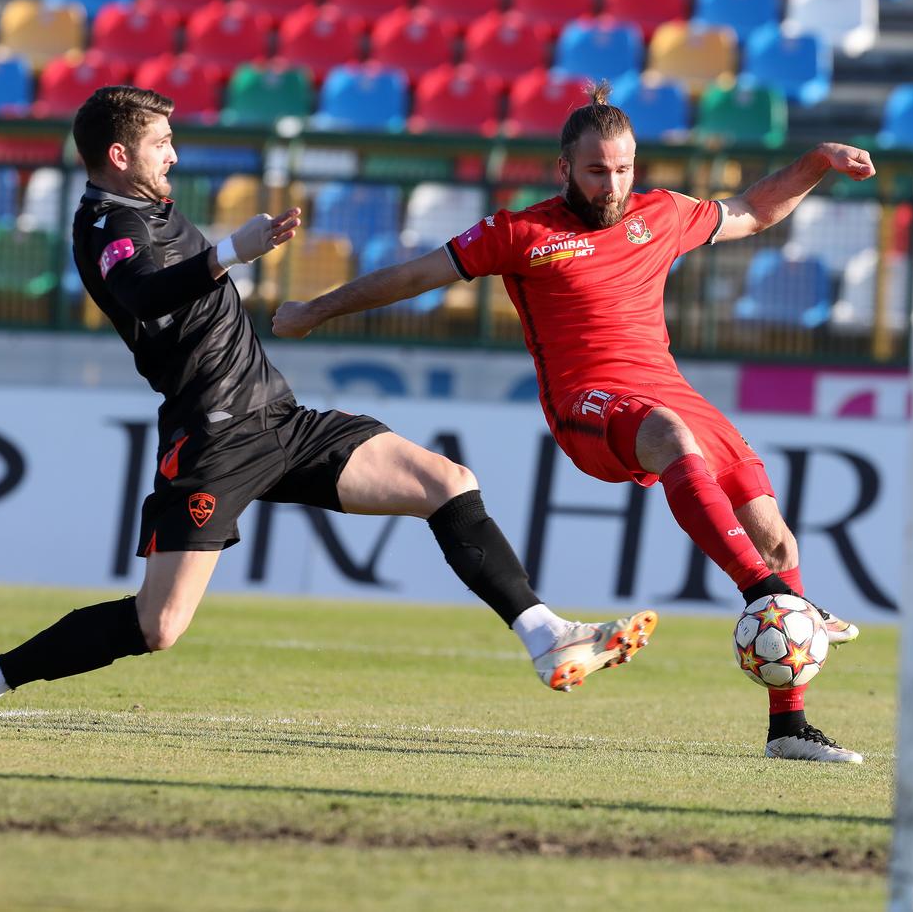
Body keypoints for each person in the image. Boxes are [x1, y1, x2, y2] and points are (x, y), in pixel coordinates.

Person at [0, 86, 654, 739]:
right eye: (160, 144)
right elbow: (142, 293)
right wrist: (233, 250)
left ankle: (545, 633)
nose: (173, 156)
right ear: (117, 153)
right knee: (157, 626)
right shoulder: (105, 227)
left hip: (280, 418)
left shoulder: (151, 208)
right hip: (213, 439)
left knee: (446, 479)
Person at [272, 85, 876, 763]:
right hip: (589, 404)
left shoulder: (663, 214)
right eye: (597, 170)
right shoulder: (520, 234)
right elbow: (414, 276)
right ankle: (768, 598)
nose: (613, 183)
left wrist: (818, 161)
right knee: (686, 457)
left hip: (670, 391)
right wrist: (317, 309)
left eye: (623, 169)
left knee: (776, 539)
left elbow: (753, 212)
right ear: (564, 167)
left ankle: (788, 726)